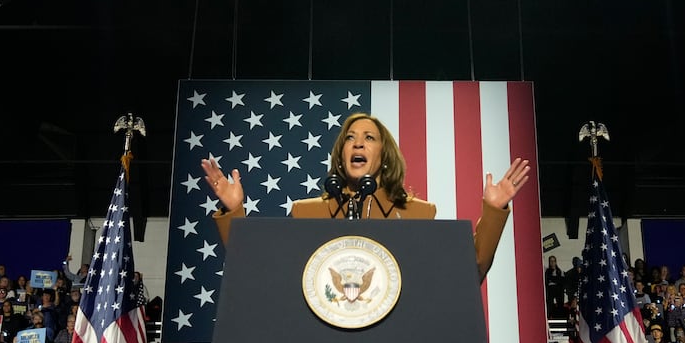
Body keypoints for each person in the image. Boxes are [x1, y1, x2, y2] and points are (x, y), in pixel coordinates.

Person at [202, 112, 530, 282]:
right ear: (341, 153)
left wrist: (494, 209)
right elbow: (261, 272)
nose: (358, 143)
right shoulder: (306, 213)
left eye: (369, 138)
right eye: (350, 138)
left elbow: (467, 274)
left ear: (383, 155)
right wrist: (234, 213)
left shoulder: (419, 214)